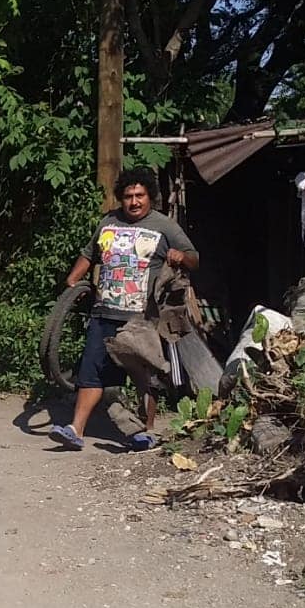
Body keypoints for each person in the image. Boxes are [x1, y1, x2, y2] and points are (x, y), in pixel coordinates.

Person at [50, 167, 200, 452]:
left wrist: (181, 256)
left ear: (150, 197)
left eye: (140, 195)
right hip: (103, 311)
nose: (134, 202)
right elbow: (89, 254)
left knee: (145, 377)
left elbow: (194, 258)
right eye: (129, 196)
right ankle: (75, 430)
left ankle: (146, 431)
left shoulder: (164, 226)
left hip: (141, 318)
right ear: (121, 198)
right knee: (91, 373)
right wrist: (72, 281)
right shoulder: (108, 222)